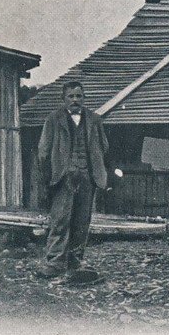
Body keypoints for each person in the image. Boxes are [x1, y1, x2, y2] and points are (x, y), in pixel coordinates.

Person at [36, 80, 115, 278]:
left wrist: (99, 172)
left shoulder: (94, 120)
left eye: (79, 96)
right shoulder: (53, 119)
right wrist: (48, 178)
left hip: (87, 177)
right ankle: (54, 263)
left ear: (84, 98)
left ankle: (76, 262)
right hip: (63, 178)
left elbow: (104, 148)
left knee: (82, 222)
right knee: (60, 221)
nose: (75, 100)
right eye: (71, 96)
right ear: (63, 99)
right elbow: (43, 152)